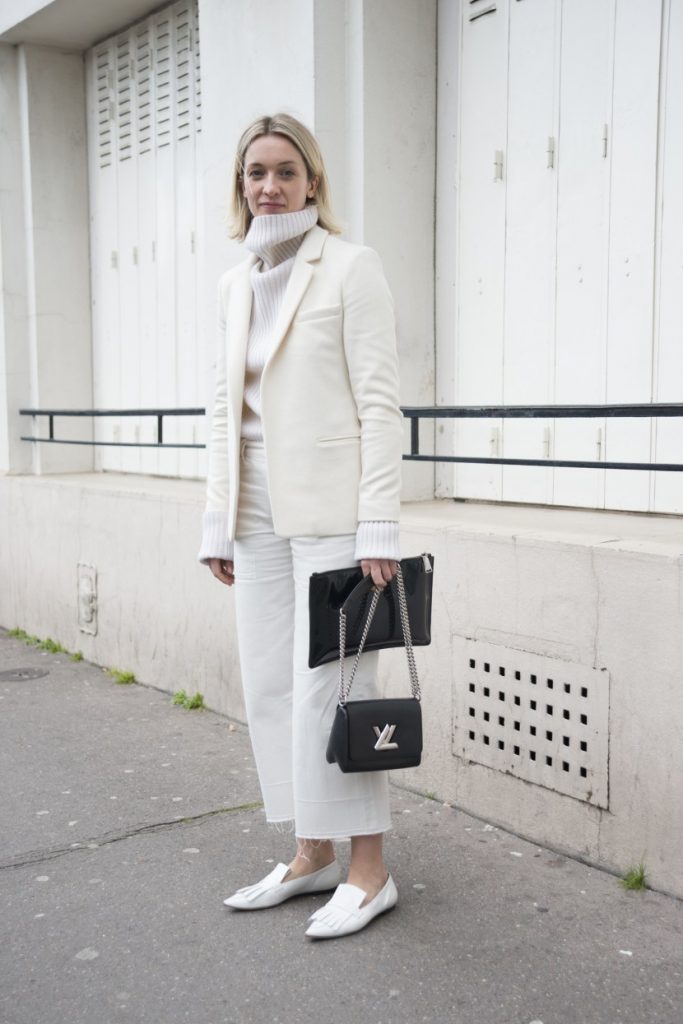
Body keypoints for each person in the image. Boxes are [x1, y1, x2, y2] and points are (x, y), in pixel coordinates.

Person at [198, 113, 404, 939]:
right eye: (255, 173)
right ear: (240, 186)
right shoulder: (233, 283)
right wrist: (217, 519)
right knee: (274, 687)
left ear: (312, 180)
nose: (269, 186)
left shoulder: (351, 268)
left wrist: (377, 524)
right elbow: (223, 410)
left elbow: (381, 405)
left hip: (331, 510)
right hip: (254, 510)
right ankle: (310, 851)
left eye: (285, 171)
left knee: (335, 687)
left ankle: (370, 868)